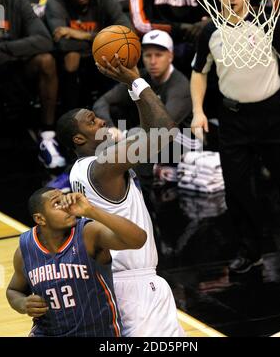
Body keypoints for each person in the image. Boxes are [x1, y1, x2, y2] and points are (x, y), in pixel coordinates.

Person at [56, 56, 185, 337]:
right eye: (92, 122)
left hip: (126, 285)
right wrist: (136, 81)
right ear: (79, 139)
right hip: (135, 291)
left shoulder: (88, 168)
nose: (101, 120)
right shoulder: (102, 167)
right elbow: (167, 132)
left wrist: (132, 87)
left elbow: (149, 133)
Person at [190, 0, 280, 274]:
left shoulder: (269, 23)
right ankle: (251, 250)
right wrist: (198, 110)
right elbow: (199, 72)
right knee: (236, 188)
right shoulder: (210, 31)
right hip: (233, 118)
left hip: (272, 114)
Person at [6, 187, 147, 337]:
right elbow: (14, 290)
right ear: (40, 219)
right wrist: (22, 304)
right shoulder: (26, 249)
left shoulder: (88, 233)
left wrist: (91, 210)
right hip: (47, 332)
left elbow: (138, 240)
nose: (66, 206)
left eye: (64, 199)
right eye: (56, 203)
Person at [0, 0, 65, 169]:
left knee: (46, 61)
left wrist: (5, 47)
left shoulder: (16, 2)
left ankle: (47, 137)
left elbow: (44, 39)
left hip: (15, 66)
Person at [45, 0, 131, 110]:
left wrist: (83, 35)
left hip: (104, 57)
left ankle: (115, 112)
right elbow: (62, 43)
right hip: (73, 62)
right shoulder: (56, 0)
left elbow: (127, 32)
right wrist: (104, 40)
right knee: (71, 56)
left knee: (118, 52)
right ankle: (72, 114)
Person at [93, 29, 192, 130]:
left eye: (158, 55)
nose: (153, 61)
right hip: (151, 135)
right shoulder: (139, 76)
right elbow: (101, 102)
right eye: (148, 55)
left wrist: (125, 136)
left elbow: (165, 127)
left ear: (170, 56)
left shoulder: (180, 86)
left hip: (181, 141)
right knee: (115, 110)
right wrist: (110, 128)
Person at [129, 0, 213, 76]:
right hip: (158, 40)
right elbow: (140, 24)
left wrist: (208, 22)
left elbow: (227, 9)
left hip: (196, 38)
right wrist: (179, 28)